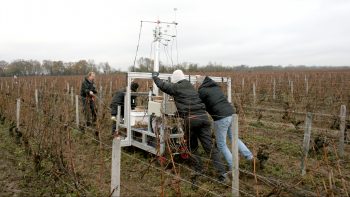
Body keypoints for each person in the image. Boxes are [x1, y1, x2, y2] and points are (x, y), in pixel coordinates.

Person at [152, 70, 229, 183]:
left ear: (175, 80)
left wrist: (155, 77)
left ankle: (199, 169)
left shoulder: (176, 87)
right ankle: (223, 174)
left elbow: (163, 86)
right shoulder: (191, 86)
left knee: (192, 147)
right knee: (210, 147)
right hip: (204, 118)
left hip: (191, 120)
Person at [197, 75, 253, 170]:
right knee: (234, 138)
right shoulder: (215, 87)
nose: (197, 85)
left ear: (200, 83)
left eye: (197, 83)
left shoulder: (202, 91)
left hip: (220, 117)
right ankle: (249, 156)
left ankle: (233, 165)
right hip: (231, 114)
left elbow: (198, 104)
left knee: (221, 144)